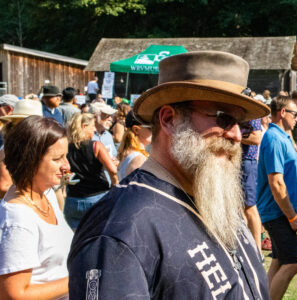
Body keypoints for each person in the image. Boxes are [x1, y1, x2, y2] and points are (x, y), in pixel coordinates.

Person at [68, 51, 270, 299]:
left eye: (243, 124)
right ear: (169, 119)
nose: (237, 136)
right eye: (224, 118)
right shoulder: (121, 227)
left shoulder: (216, 202)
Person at [0, 116, 73, 299]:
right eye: (57, 159)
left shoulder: (46, 193)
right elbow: (14, 294)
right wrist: (80, 277)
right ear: (30, 161)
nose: (67, 166)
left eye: (66, 156)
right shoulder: (19, 219)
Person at [257, 95, 297, 300]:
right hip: (276, 211)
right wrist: (293, 217)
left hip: (277, 210)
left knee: (278, 261)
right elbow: (276, 183)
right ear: (283, 113)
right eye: (295, 114)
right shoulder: (274, 139)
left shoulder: (281, 136)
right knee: (292, 264)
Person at [64, 113, 118, 229]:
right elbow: (113, 170)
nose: (94, 129)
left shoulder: (66, 147)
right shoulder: (96, 146)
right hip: (96, 198)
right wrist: (115, 185)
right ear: (84, 127)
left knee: (75, 240)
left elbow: (66, 174)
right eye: (92, 126)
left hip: (73, 201)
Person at [240, 116, 264, 251]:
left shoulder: (253, 113)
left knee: (250, 207)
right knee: (240, 208)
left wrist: (232, 135)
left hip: (246, 162)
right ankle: (248, 247)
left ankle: (257, 251)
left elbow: (256, 138)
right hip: (236, 161)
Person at [117, 111, 151, 180]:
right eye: (151, 128)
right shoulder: (139, 159)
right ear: (136, 130)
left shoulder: (127, 153)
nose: (156, 131)